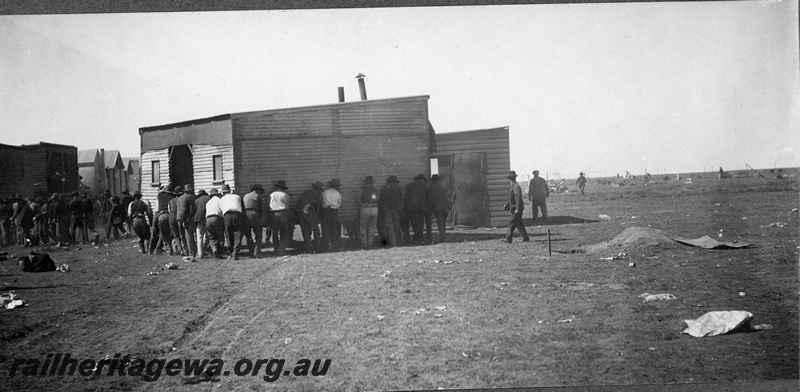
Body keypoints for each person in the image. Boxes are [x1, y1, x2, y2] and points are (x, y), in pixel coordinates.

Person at [296, 181, 324, 254]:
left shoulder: (306, 193)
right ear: (317, 189)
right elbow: (317, 209)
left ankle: (309, 249)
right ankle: (317, 248)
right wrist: (316, 218)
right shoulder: (317, 196)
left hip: (300, 213)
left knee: (305, 232)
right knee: (316, 230)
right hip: (309, 214)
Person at [219, 184, 246, 260]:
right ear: (230, 191)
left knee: (228, 234)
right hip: (237, 215)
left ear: (223, 192)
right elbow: (243, 208)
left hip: (227, 216)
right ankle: (235, 254)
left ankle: (230, 253)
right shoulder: (237, 197)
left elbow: (221, 211)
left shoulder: (221, 199)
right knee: (237, 233)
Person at [504, 170, 530, 243]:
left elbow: (518, 198)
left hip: (516, 209)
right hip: (513, 208)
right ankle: (526, 237)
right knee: (519, 224)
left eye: (509, 178)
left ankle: (508, 238)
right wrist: (507, 204)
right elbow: (511, 198)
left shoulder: (516, 186)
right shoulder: (512, 186)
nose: (508, 180)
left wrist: (517, 209)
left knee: (512, 223)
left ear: (511, 179)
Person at [378, 175, 403, 248]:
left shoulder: (383, 189)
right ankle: (395, 242)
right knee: (396, 226)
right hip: (396, 210)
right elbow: (401, 199)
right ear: (395, 181)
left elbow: (380, 201)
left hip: (387, 210)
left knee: (389, 227)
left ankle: (393, 243)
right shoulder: (398, 188)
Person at [405, 174, 430, 245]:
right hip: (422, 208)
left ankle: (417, 239)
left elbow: (406, 198)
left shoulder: (409, 186)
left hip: (412, 208)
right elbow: (428, 198)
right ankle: (420, 239)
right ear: (423, 179)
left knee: (415, 224)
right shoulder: (425, 186)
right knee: (421, 223)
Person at [149, 185, 175, 255]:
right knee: (169, 233)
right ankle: (168, 250)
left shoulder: (160, 195)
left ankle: (159, 249)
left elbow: (160, 191)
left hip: (161, 215)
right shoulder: (172, 197)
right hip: (168, 215)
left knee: (161, 234)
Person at [268, 180, 291, 256]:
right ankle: (282, 250)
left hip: (273, 213)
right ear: (283, 188)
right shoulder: (285, 195)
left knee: (274, 231)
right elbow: (287, 205)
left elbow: (268, 205)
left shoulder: (271, 194)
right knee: (283, 231)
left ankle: (275, 249)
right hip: (282, 213)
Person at [243, 184, 265, 257]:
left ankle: (250, 252)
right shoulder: (257, 196)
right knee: (258, 234)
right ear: (257, 190)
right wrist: (260, 219)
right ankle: (257, 252)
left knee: (248, 235)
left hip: (246, 214)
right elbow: (260, 209)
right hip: (254, 213)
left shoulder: (245, 196)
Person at [321, 178, 342, 251]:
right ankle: (333, 242)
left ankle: (327, 243)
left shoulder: (325, 192)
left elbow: (321, 200)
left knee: (325, 227)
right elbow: (339, 204)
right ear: (337, 186)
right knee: (333, 227)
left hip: (326, 210)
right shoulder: (338, 194)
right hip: (334, 211)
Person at [177, 184, 198, 258]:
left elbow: (184, 210)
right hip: (193, 218)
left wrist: (182, 219)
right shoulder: (195, 197)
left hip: (185, 218)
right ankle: (194, 251)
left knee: (186, 236)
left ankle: (188, 251)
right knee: (193, 235)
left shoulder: (182, 198)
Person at [358, 176, 379, 249]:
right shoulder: (375, 190)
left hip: (365, 208)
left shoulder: (362, 190)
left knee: (363, 227)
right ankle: (370, 244)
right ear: (372, 183)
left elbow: (359, 200)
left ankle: (363, 244)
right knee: (372, 227)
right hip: (375, 209)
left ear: (365, 182)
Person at [429, 174, 451, 243]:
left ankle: (443, 239)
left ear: (433, 181)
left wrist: (430, 209)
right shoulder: (443, 187)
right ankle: (443, 237)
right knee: (443, 222)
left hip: (438, 208)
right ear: (438, 180)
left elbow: (431, 200)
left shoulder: (431, 188)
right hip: (446, 207)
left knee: (440, 223)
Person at [204, 188, 225, 259]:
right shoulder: (220, 200)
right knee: (220, 235)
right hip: (217, 218)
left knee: (211, 236)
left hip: (208, 219)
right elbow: (222, 210)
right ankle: (220, 251)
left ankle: (214, 249)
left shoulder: (208, 202)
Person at [168, 186, 185, 255]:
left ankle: (178, 249)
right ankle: (183, 249)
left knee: (175, 234)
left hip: (172, 216)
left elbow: (169, 210)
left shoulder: (170, 201)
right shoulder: (181, 200)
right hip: (178, 216)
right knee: (181, 233)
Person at [194, 189, 210, 259]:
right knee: (207, 235)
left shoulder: (197, 200)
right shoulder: (209, 198)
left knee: (199, 236)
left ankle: (200, 253)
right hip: (207, 217)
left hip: (199, 218)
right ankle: (205, 249)